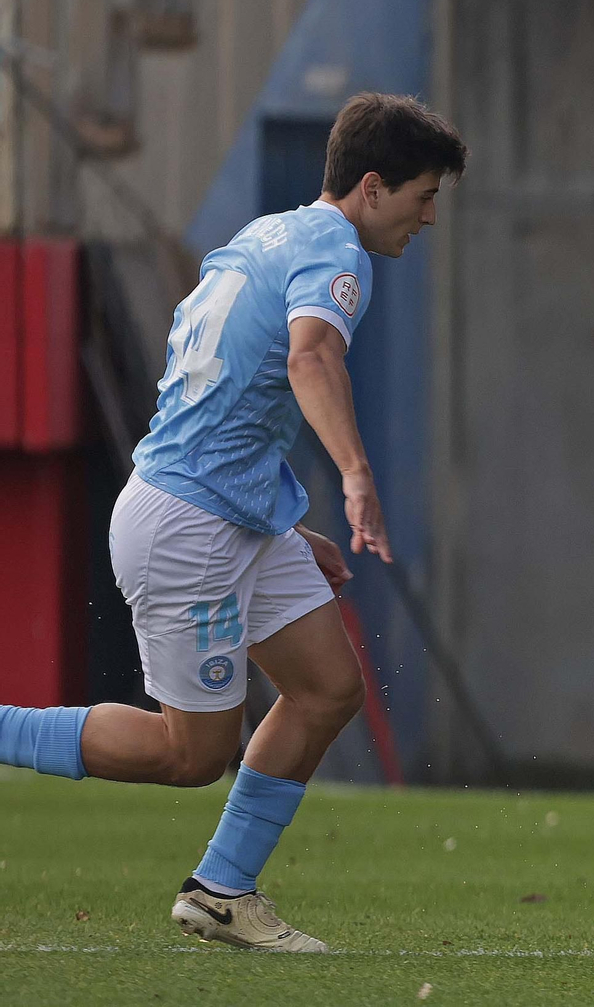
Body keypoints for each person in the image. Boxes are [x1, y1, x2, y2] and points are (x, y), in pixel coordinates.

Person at [0, 92, 467, 952]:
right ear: (372, 186)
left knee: (328, 686)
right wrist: (355, 478)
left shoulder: (263, 235)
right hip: (190, 528)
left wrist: (280, 515)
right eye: (423, 195)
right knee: (191, 754)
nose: (429, 215)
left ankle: (221, 891)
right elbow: (308, 355)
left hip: (228, 516)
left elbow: (222, 390)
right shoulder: (338, 254)